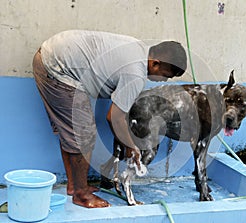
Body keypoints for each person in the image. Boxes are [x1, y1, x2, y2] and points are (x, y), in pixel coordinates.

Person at [32, 30, 187, 208]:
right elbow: (114, 117)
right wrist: (131, 146)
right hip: (57, 68)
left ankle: (74, 186)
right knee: (84, 135)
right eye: (166, 75)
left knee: (72, 131)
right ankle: (81, 194)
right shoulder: (136, 73)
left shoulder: (138, 48)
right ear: (156, 63)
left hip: (52, 55)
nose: (165, 81)